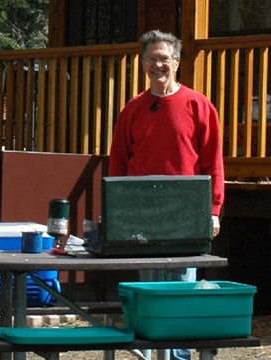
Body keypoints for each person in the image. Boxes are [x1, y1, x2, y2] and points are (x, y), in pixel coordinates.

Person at [109, 30, 224, 360]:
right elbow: (118, 160)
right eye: (151, 59)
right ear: (142, 63)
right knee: (148, 285)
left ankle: (179, 355)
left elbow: (212, 161)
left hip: (186, 207)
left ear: (176, 62)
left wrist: (213, 209)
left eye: (164, 58)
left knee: (181, 284)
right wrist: (118, 210)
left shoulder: (199, 105)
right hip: (142, 207)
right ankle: (150, 351)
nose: (157, 64)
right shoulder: (133, 108)